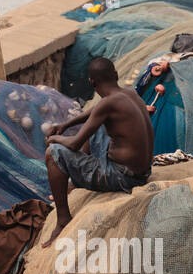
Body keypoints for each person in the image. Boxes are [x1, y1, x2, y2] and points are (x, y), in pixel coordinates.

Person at [40, 57, 153, 248]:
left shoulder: (107, 105)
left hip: (122, 177)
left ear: (92, 83)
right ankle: (78, 178)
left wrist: (54, 138)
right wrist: (65, 125)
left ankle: (62, 218)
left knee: (54, 153)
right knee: (95, 126)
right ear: (115, 75)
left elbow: (75, 144)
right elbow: (95, 112)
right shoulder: (129, 94)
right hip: (142, 171)